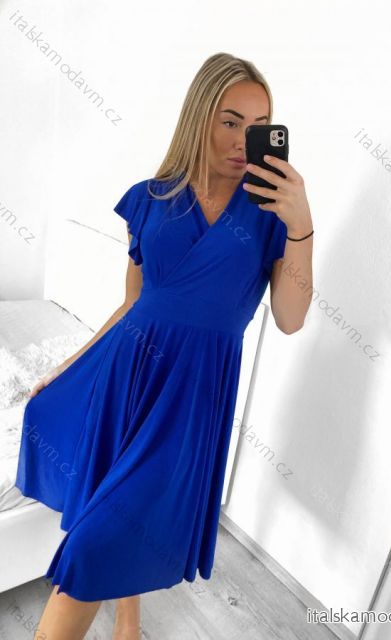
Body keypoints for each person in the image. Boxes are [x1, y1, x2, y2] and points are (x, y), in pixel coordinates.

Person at [15, 52, 314, 640]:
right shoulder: (149, 198)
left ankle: (121, 614)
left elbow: (290, 319)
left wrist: (302, 224)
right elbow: (133, 304)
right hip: (124, 373)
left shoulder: (272, 213)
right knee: (104, 489)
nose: (244, 139)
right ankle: (128, 618)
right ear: (200, 117)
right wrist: (69, 365)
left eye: (259, 125)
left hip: (191, 396)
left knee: (95, 543)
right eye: (230, 121)